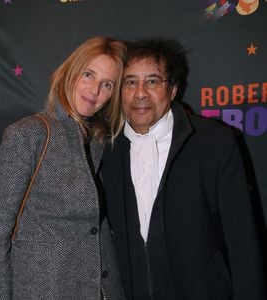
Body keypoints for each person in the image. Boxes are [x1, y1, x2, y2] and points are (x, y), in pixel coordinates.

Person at [101, 38, 266, 300]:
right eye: (130, 82)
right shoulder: (104, 150)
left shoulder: (214, 143)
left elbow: (243, 242)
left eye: (153, 81)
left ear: (174, 89)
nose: (140, 93)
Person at [0, 36, 126, 299]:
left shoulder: (99, 142)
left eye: (107, 84)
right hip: (45, 289)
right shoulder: (28, 135)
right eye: (88, 75)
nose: (95, 90)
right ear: (69, 72)